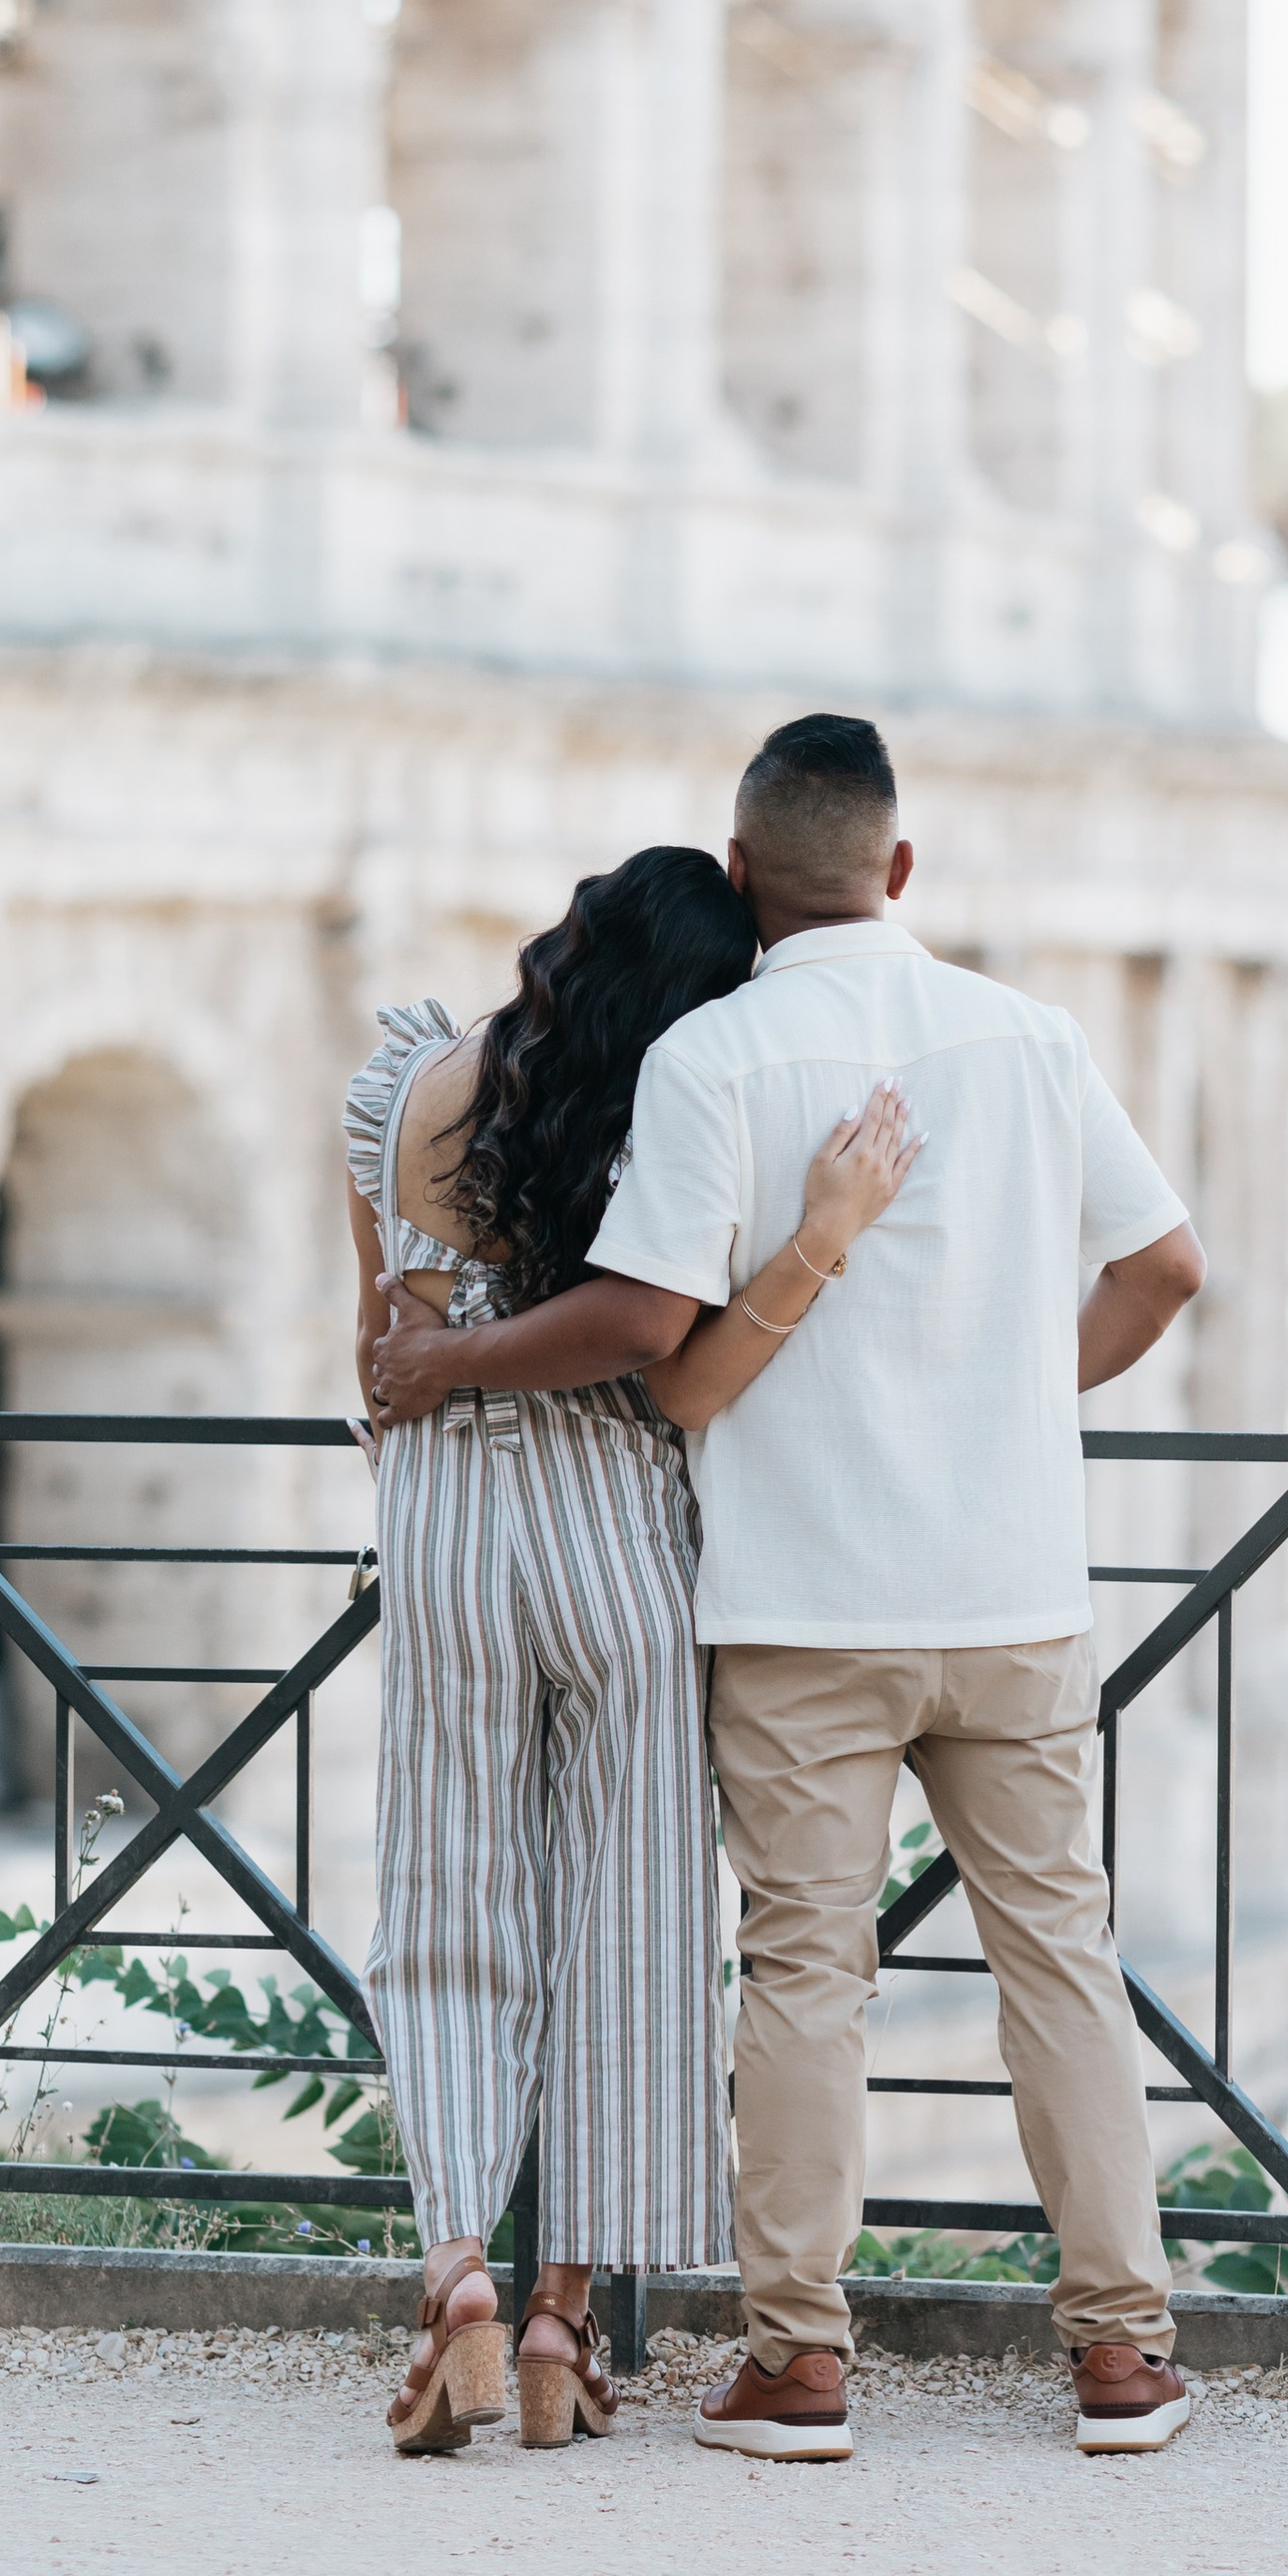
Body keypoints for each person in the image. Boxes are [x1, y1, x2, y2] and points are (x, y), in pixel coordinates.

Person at [369, 715, 1204, 2461]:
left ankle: (798, 2367)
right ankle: (1124, 2360)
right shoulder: (1033, 1038)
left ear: (744, 877)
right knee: (1062, 1958)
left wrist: (445, 1367)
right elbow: (1166, 1266)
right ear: (902, 869)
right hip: (1015, 1591)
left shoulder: (718, 1058)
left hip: (804, 1599)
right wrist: (1010, 1395)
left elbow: (662, 1366)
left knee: (804, 1975)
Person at [347, 840, 922, 2452]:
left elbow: (375, 1351)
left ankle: (459, 2263)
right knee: (636, 1924)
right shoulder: (671, 1113)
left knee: (446, 1893)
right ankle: (561, 2319)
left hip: (447, 1521)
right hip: (618, 1524)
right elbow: (658, 1330)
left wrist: (425, 1396)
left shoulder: (398, 1091)